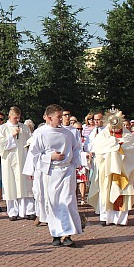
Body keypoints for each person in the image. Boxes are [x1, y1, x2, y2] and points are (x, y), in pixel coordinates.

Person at [30, 105, 84, 246]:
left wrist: (77, 163)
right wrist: (50, 157)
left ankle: (67, 235)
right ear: (49, 118)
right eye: (58, 117)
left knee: (67, 202)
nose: (62, 119)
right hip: (50, 172)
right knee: (53, 204)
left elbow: (76, 149)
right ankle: (55, 234)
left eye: (62, 116)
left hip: (67, 171)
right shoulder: (40, 133)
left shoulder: (68, 133)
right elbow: (34, 154)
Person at [88, 111, 134, 226]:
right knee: (105, 192)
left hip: (123, 170)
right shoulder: (103, 135)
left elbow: (133, 150)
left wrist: (119, 147)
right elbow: (98, 148)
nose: (115, 129)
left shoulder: (127, 136)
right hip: (107, 170)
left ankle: (120, 219)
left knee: (122, 192)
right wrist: (114, 144)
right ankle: (105, 218)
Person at [0, 106, 35, 221]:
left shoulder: (24, 128)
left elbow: (30, 141)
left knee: (25, 185)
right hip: (9, 161)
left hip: (23, 159)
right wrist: (11, 136)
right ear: (9, 116)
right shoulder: (3, 129)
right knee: (11, 185)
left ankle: (29, 210)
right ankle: (13, 211)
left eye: (18, 118)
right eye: (15, 118)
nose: (17, 120)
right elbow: (0, 144)